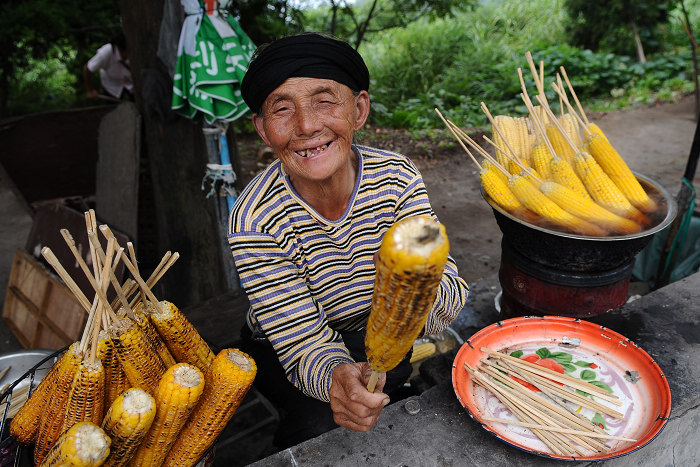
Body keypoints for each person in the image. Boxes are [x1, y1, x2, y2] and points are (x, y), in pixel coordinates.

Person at [228, 32, 469, 449]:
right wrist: (339, 377)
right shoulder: (254, 219)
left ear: (358, 109)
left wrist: (417, 285)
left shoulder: (397, 178)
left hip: (379, 328)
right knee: (316, 428)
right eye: (282, 109)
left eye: (324, 101)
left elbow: (449, 293)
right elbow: (303, 341)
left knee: (390, 386)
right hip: (284, 343)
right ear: (263, 130)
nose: (306, 126)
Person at [83, 32, 133, 100]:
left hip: (131, 84)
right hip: (111, 87)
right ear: (121, 49)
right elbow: (87, 69)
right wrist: (90, 91)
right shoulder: (106, 52)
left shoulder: (135, 50)